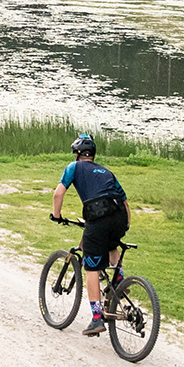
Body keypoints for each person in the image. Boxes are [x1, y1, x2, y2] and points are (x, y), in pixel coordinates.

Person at [50, 133, 129, 335]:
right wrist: (125, 226)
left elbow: (58, 193)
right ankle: (119, 282)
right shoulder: (107, 172)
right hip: (118, 215)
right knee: (111, 244)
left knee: (91, 267)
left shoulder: (73, 167)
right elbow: (125, 203)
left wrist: (56, 215)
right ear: (92, 155)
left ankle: (96, 318)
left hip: (98, 215)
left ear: (77, 154)